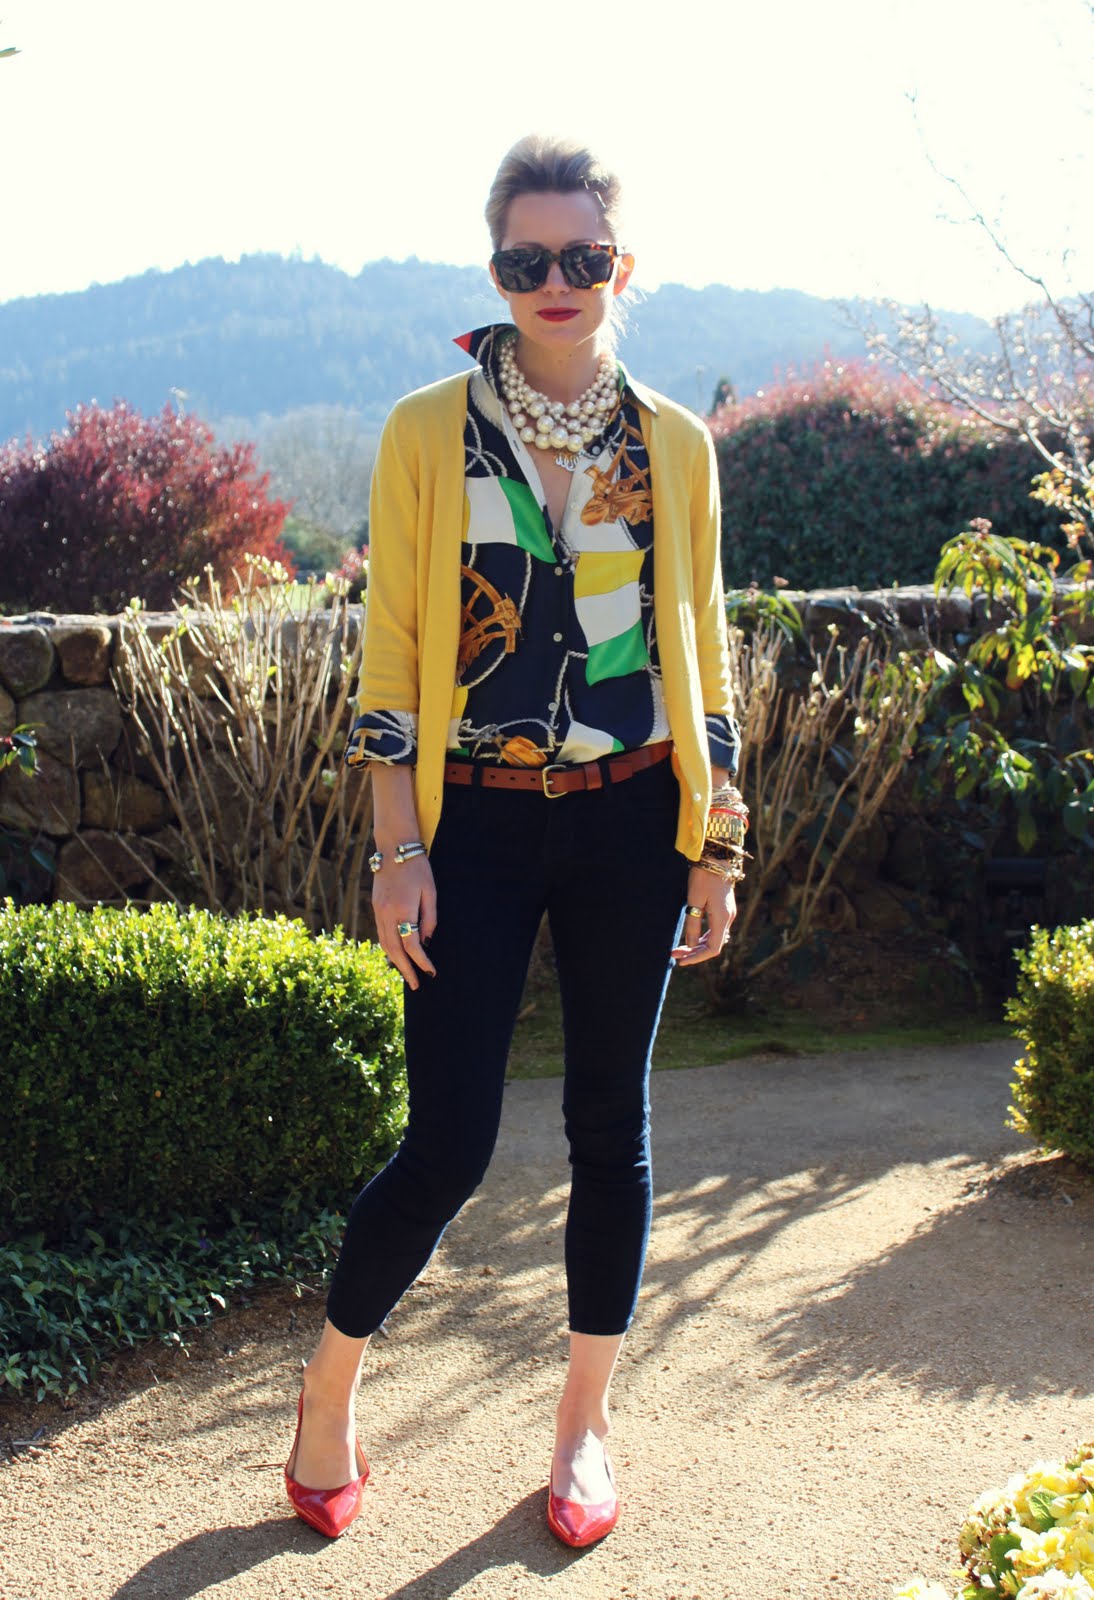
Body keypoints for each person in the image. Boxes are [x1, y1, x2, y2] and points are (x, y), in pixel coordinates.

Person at [283, 133, 748, 1548]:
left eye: (583, 255)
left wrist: (715, 840)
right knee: (448, 1142)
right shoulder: (427, 432)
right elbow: (395, 650)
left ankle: (583, 1423)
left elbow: (703, 654)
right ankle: (327, 1387)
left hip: (633, 819)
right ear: (494, 270)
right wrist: (396, 849)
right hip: (470, 824)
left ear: (622, 265)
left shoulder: (673, 444)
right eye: (526, 258)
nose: (557, 280)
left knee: (612, 1127)